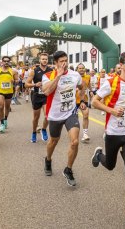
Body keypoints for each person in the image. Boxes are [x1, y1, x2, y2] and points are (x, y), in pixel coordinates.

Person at [91, 52, 125, 223]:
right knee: (111, 166)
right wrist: (112, 111)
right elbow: (95, 101)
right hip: (113, 133)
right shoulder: (111, 82)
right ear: (121, 65)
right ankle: (99, 155)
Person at [42, 51, 86, 187]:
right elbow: (47, 91)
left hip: (70, 113)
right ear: (55, 63)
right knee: (53, 141)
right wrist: (59, 76)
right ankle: (48, 160)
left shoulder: (75, 75)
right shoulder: (48, 76)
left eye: (66, 60)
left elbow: (82, 86)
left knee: (74, 142)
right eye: (61, 61)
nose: (64, 63)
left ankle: (68, 169)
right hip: (55, 114)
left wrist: (81, 100)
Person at [25, 53, 53, 143]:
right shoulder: (34, 71)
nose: (45, 60)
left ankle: (44, 129)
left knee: (48, 115)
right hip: (36, 95)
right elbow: (26, 84)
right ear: (39, 60)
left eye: (46, 59)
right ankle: (33, 132)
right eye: (43, 59)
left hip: (46, 96)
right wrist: (34, 84)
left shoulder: (51, 71)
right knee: (36, 117)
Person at [0, 56, 19, 133]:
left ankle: (5, 119)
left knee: (7, 107)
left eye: (7, 61)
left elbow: (17, 80)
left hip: (9, 92)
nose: (6, 62)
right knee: (1, 106)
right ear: (2, 62)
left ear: (9, 62)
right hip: (0, 91)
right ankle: (2, 124)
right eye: (5, 61)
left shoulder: (13, 71)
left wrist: (14, 81)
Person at [75, 63, 92, 143]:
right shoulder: (73, 77)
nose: (81, 70)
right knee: (74, 118)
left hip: (83, 100)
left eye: (83, 68)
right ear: (77, 69)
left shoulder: (88, 77)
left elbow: (89, 86)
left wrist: (91, 92)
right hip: (74, 100)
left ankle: (85, 134)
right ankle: (73, 133)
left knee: (86, 115)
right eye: (80, 68)